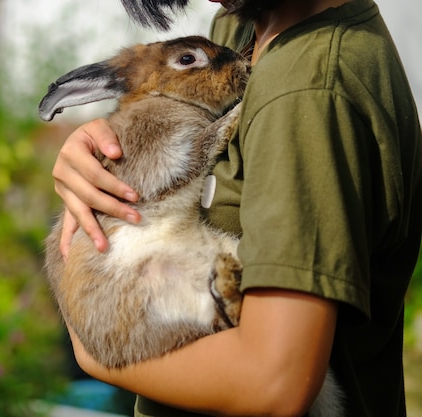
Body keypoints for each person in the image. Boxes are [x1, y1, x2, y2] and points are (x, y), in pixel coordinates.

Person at [50, 0, 422, 415]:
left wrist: (93, 345)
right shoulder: (241, 31)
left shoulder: (305, 91)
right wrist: (100, 150)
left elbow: (274, 384)